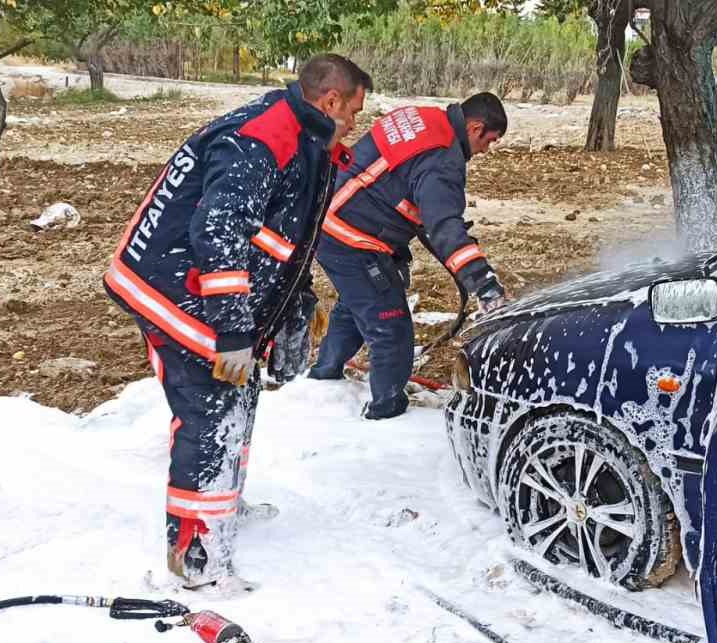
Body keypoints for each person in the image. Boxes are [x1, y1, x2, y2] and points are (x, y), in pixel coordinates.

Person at [102, 54, 369, 593]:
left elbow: (281, 237)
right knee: (209, 410)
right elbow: (219, 232)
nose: (357, 123)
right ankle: (196, 559)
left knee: (236, 399)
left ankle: (223, 506)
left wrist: (297, 303)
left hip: (202, 291)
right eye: (356, 111)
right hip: (177, 293)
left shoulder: (303, 135)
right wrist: (232, 334)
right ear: (331, 101)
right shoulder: (266, 136)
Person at [307, 93, 510, 420]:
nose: (486, 150)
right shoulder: (443, 160)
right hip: (351, 234)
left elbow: (401, 186)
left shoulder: (425, 117)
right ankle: (386, 414)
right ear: (474, 128)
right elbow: (444, 226)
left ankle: (322, 381)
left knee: (358, 302)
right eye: (490, 141)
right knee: (391, 328)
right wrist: (484, 284)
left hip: (333, 214)